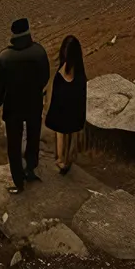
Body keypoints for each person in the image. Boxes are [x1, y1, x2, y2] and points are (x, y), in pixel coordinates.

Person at [0, 16, 51, 192]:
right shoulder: (39, 52)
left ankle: (18, 181)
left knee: (14, 145)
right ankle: (31, 167)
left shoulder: (4, 57)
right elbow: (45, 77)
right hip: (33, 104)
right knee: (33, 137)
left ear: (13, 34)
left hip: (13, 108)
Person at [44, 34, 87, 174]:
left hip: (62, 111)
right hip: (74, 113)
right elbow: (82, 97)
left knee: (61, 133)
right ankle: (68, 158)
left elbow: (57, 98)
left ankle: (61, 160)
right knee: (71, 132)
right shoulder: (80, 73)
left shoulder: (61, 73)